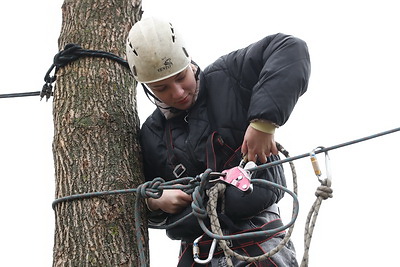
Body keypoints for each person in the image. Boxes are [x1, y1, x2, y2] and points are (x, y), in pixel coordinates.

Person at [126, 17, 311, 266]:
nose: (178, 93)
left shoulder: (230, 76)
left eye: (181, 77)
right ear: (147, 87)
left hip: (257, 237)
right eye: (162, 88)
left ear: (189, 62)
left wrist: (263, 123)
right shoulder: (152, 134)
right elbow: (134, 200)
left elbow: (290, 48)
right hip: (197, 251)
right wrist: (154, 201)